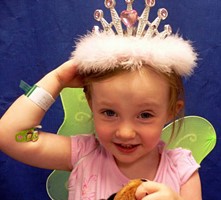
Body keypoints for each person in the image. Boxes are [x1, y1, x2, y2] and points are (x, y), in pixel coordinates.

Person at [0, 1, 202, 199]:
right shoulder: (83, 154)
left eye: (145, 115)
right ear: (91, 105)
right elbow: (11, 135)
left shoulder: (181, 170)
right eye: (109, 113)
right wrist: (57, 79)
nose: (125, 132)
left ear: (171, 111)